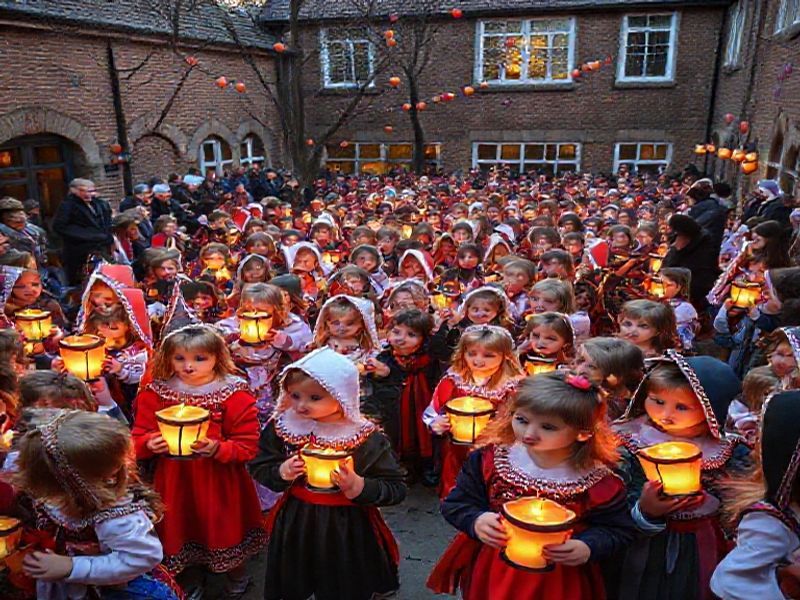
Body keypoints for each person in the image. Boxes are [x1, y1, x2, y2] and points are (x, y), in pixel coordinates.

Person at [427, 372, 636, 599]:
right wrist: (476, 520)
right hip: (495, 569)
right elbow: (457, 503)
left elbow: (618, 529)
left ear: (583, 433)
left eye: (548, 427)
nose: (529, 433)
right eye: (522, 420)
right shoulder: (490, 461)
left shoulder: (597, 482)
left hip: (560, 579)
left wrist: (588, 546)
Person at [248, 347, 407, 600]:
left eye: (315, 397)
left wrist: (359, 486)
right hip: (297, 520)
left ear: (341, 394)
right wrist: (281, 471)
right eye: (295, 395)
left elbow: (395, 487)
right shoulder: (284, 427)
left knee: (343, 577)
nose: (301, 405)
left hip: (347, 524)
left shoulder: (363, 437)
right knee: (297, 573)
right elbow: (259, 464)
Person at [131, 325, 266, 597]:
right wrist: (148, 443)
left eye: (199, 358)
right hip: (173, 480)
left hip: (219, 481)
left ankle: (235, 575)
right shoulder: (157, 392)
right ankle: (186, 577)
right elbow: (138, 435)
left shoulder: (232, 394)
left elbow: (247, 445)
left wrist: (218, 448)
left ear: (217, 356)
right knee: (178, 524)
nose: (188, 366)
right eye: (179, 358)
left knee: (222, 525)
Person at [614, 352, 746, 599]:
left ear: (710, 407)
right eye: (657, 401)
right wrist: (645, 510)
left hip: (702, 541)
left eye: (682, 407)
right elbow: (617, 495)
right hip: (643, 542)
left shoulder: (728, 450)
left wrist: (714, 502)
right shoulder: (631, 441)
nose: (665, 414)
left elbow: (740, 500)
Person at [11, 410, 181, 600]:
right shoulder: (53, 495)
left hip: (119, 588)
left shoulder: (116, 517)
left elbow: (143, 557)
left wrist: (71, 567)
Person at [424, 325, 524, 498]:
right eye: (472, 354)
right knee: (456, 484)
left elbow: (521, 417)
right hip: (457, 449)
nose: (478, 361)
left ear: (505, 356)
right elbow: (434, 408)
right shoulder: (454, 380)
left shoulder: (512, 385)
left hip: (494, 451)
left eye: (488, 355)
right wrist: (436, 422)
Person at [52, 178, 113, 285]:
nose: (89, 194)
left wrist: (109, 239)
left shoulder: (99, 204)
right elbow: (60, 226)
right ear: (74, 191)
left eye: (92, 191)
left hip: (101, 248)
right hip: (79, 251)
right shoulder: (68, 205)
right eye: (84, 191)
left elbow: (106, 223)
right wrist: (89, 236)